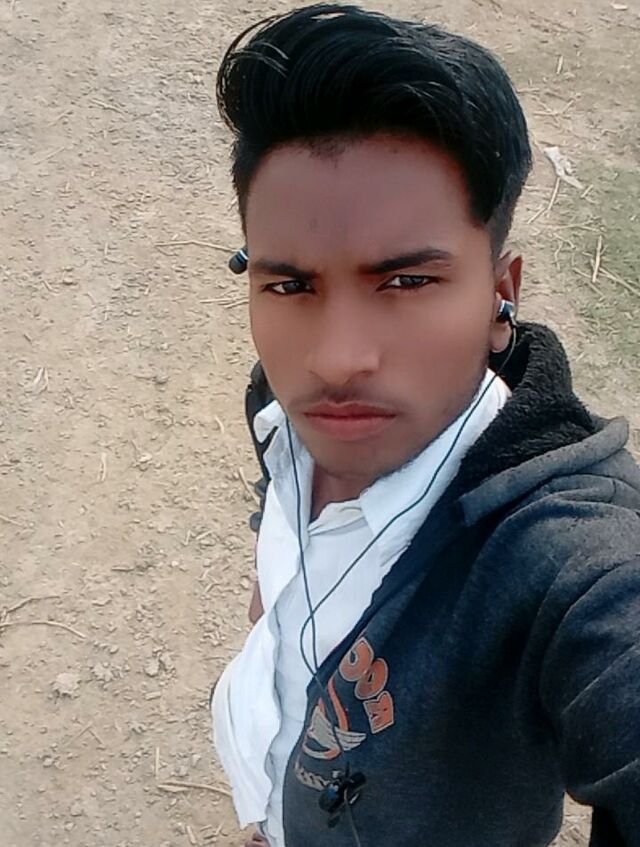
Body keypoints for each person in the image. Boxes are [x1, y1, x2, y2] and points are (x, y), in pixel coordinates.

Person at [210, 5, 640, 846]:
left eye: (406, 282)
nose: (336, 361)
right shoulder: (279, 404)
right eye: (290, 285)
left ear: (501, 292)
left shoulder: (565, 557)